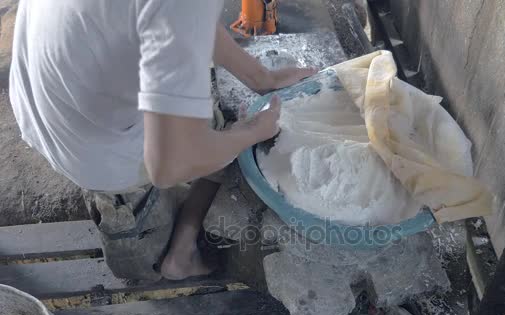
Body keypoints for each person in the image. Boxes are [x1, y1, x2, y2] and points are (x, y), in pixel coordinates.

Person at [9, 0, 316, 281]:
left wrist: (262, 78)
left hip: (38, 107)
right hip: (95, 152)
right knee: (226, 139)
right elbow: (171, 165)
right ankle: (181, 253)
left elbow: (187, 22)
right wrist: (251, 132)